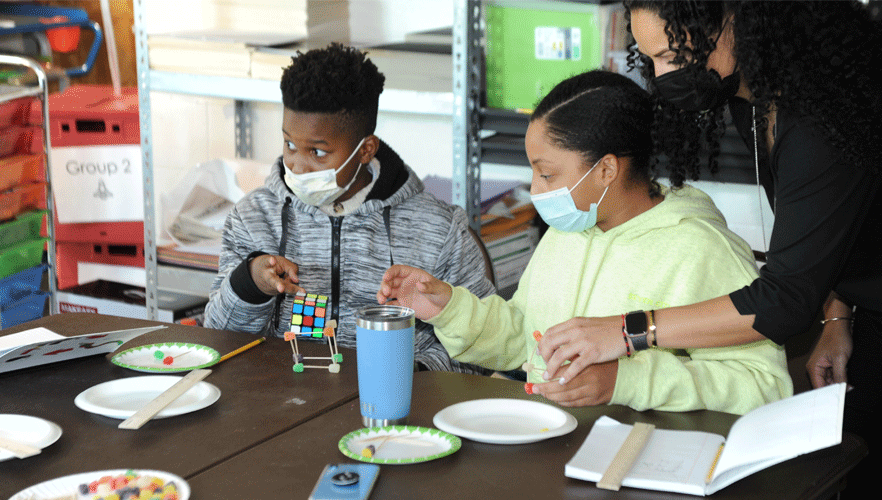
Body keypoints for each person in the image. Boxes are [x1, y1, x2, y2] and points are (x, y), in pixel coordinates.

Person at [535, 1, 880, 493]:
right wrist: (837, 313)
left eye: (674, 54)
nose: (662, 76)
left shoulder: (821, 114)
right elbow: (839, 225)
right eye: (650, 58)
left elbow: (781, 303)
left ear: (738, 20)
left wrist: (630, 331)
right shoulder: (754, 103)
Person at [377, 70, 792, 414]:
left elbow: (764, 386)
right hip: (554, 448)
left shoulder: (702, 249)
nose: (535, 188)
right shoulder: (568, 233)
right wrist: (448, 309)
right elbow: (527, 337)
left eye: (548, 174)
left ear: (606, 170)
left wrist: (622, 381)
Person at [204, 43, 495, 373]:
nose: (298, 166)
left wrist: (416, 375)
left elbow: (481, 346)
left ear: (366, 149)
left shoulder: (440, 229)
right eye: (289, 144)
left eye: (318, 153)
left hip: (396, 410)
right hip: (279, 405)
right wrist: (249, 283)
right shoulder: (254, 217)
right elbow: (219, 338)